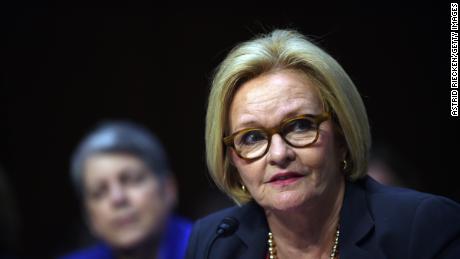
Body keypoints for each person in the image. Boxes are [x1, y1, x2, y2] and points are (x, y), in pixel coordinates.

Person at [186, 29, 460, 259]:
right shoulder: (214, 243)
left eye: (300, 125)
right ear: (232, 159)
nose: (279, 154)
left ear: (342, 135)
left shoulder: (421, 227)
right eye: (252, 137)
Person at [60, 121, 192, 259]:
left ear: (168, 190)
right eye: (100, 192)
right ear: (89, 217)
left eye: (131, 180)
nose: (118, 198)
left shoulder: (209, 249)